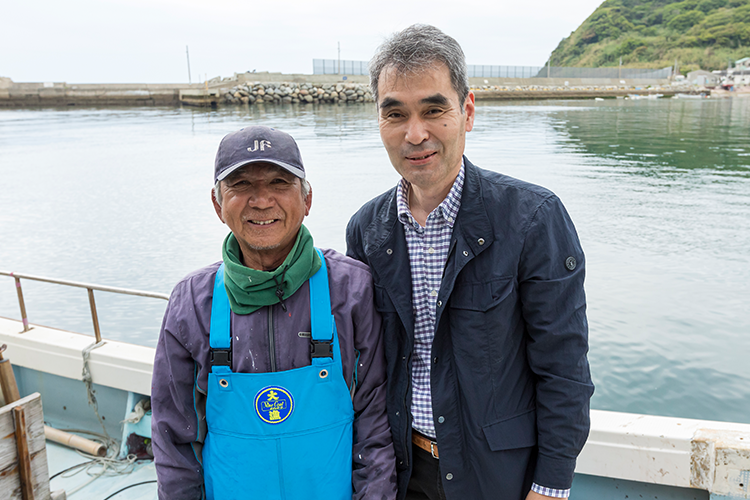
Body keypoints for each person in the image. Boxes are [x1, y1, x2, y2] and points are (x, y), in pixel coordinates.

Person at [346, 25, 594, 500]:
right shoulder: (367, 230)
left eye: (434, 110)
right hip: (401, 473)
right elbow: (370, 366)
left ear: (468, 111)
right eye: (394, 113)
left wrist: (551, 485)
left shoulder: (533, 218)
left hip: (498, 476)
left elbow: (563, 368)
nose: (415, 134)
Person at [152, 125, 396, 500]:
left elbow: (376, 427)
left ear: (307, 199)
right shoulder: (191, 303)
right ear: (218, 204)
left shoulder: (352, 290)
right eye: (241, 185)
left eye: (280, 182)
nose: (261, 200)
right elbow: (174, 441)